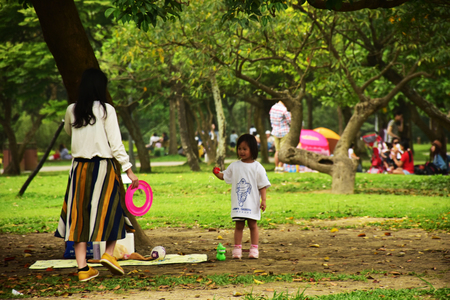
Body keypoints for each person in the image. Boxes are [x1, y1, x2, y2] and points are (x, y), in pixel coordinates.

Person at [55, 68, 139, 282]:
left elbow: (69, 132)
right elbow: (116, 144)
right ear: (100, 87)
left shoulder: (72, 110)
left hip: (79, 170)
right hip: (103, 168)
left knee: (79, 217)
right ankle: (109, 255)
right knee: (112, 211)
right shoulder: (106, 110)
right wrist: (129, 169)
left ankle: (83, 269)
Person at [213, 134, 271, 259]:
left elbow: (262, 186)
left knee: (252, 225)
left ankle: (254, 248)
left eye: (245, 149)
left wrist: (264, 200)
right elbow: (225, 176)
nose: (242, 151)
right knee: (239, 225)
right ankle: (237, 249)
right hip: (238, 204)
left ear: (253, 149)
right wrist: (217, 173)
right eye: (240, 148)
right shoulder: (234, 166)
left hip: (252, 203)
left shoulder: (257, 167)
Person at [269, 101, 291, 172]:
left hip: (275, 131)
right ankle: (281, 167)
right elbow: (290, 120)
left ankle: (276, 167)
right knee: (283, 150)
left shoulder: (272, 108)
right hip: (284, 132)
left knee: (277, 151)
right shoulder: (284, 109)